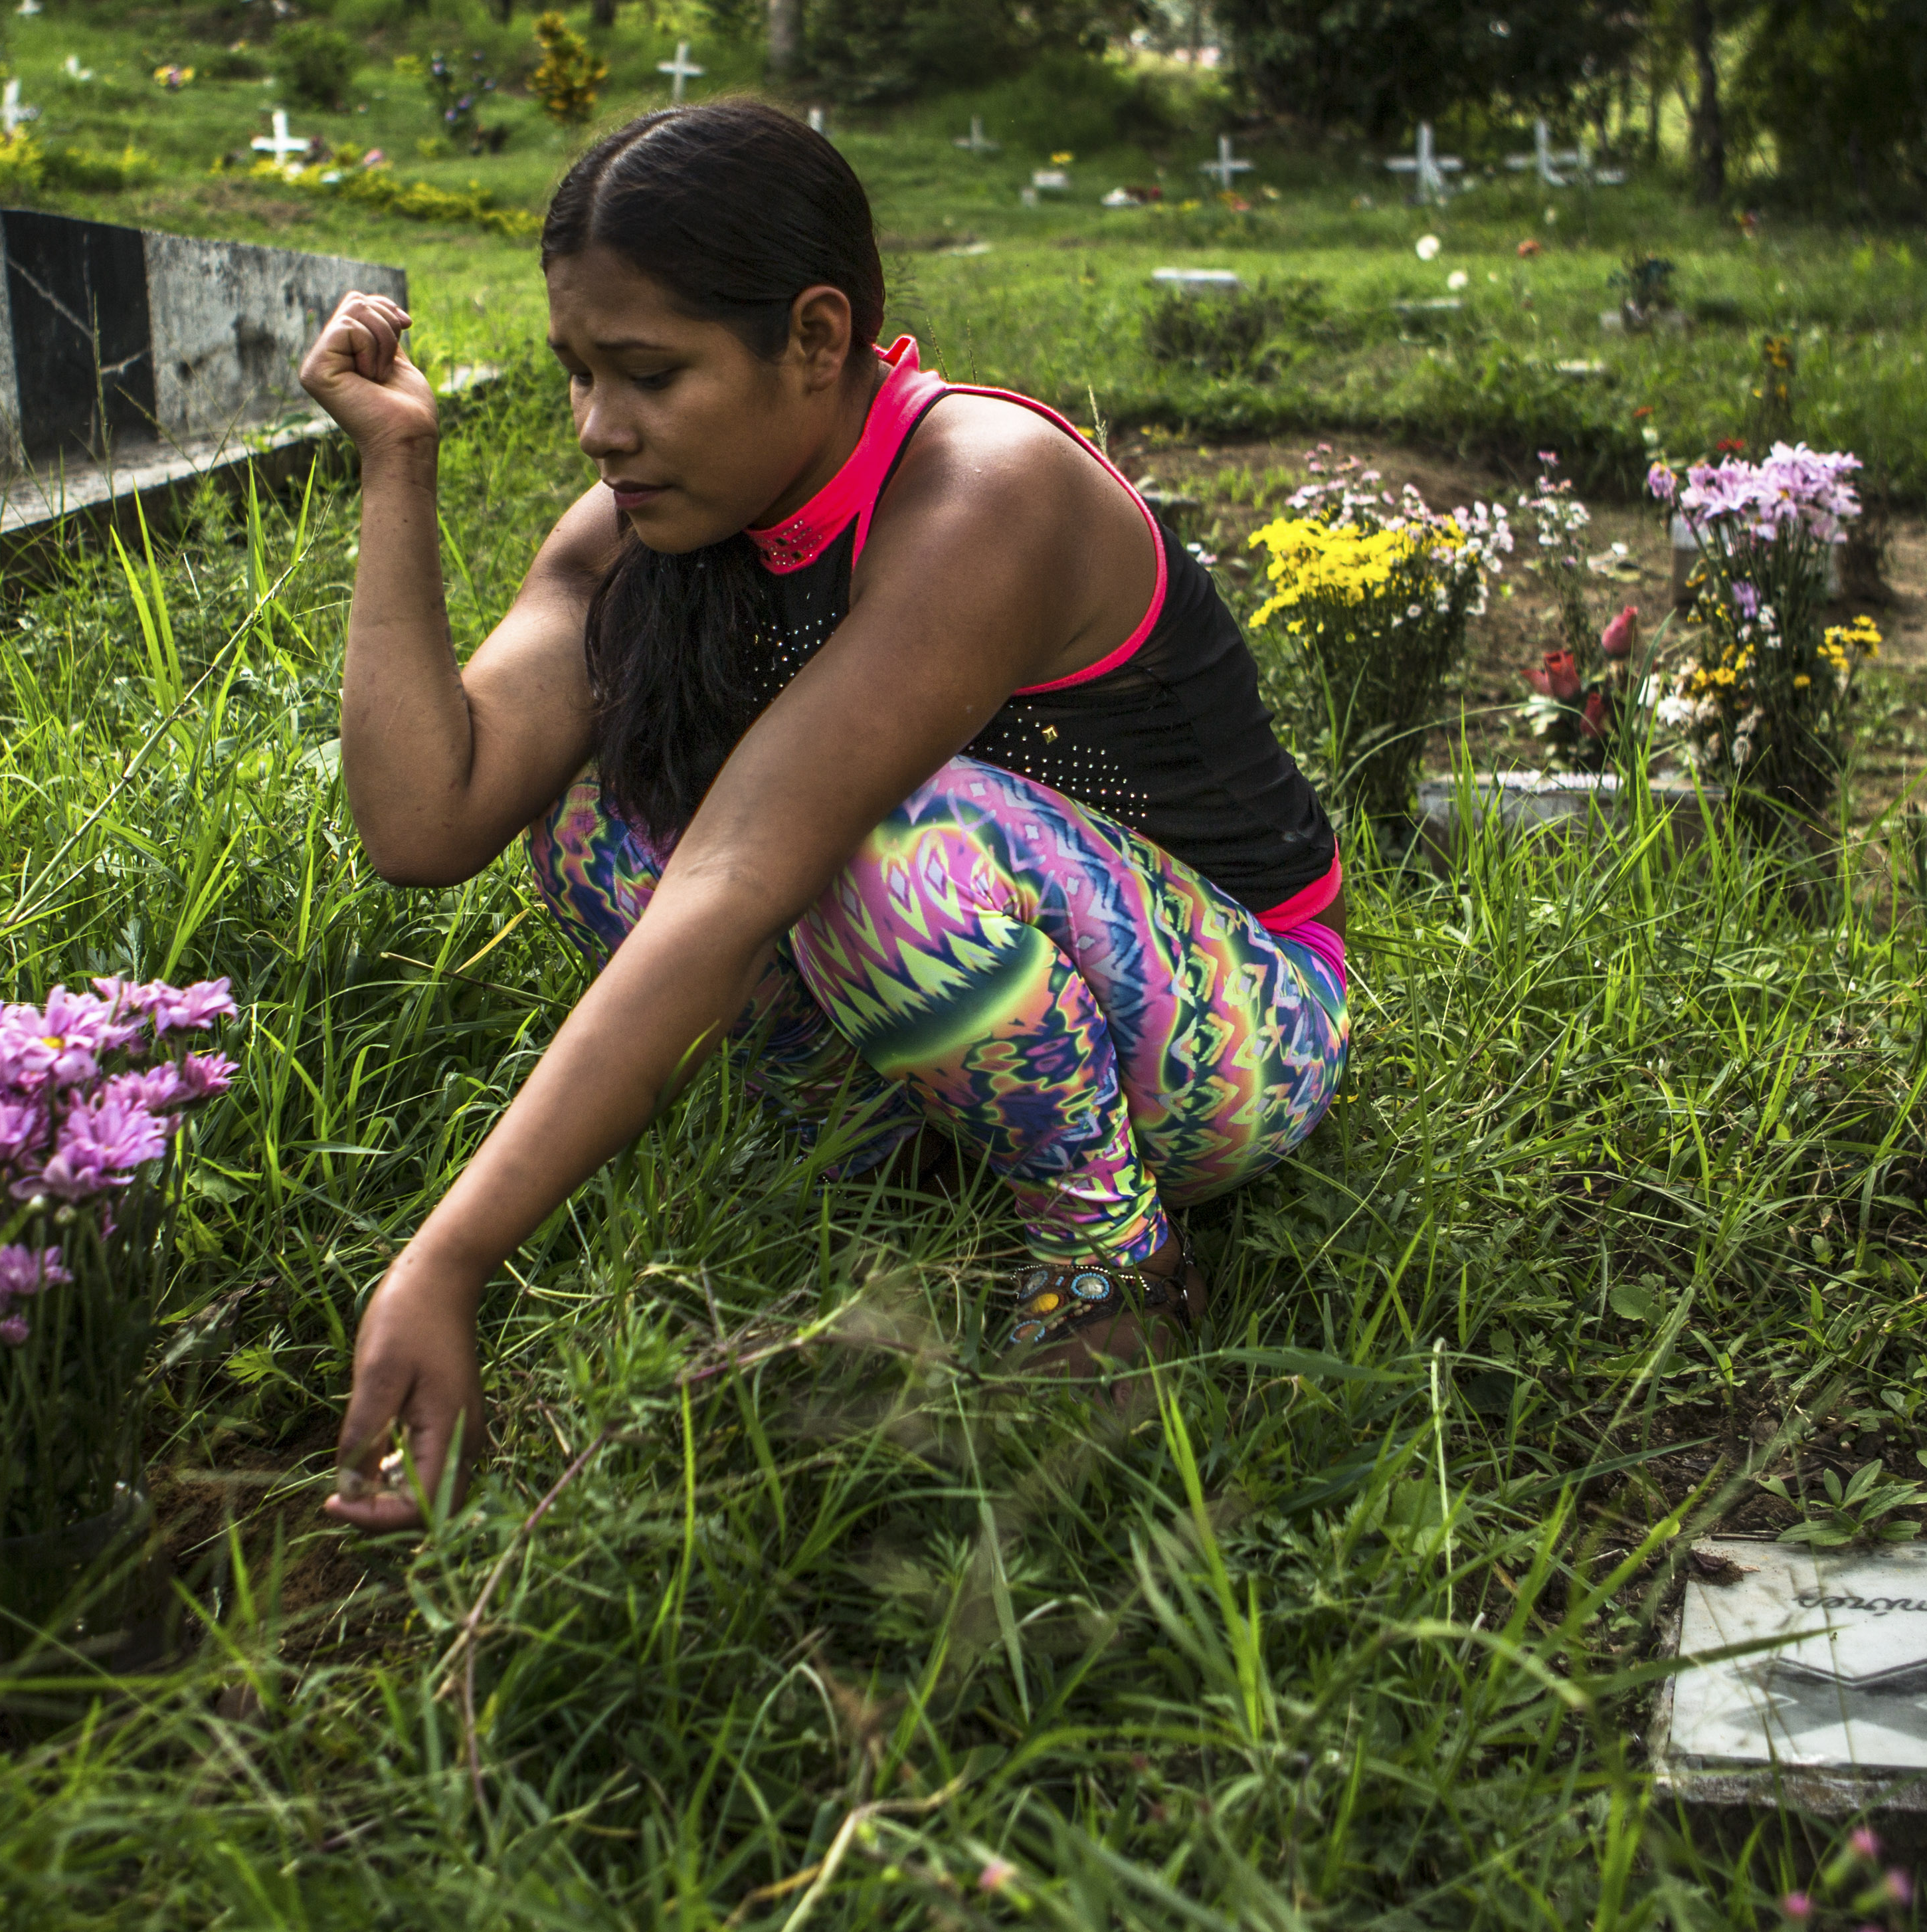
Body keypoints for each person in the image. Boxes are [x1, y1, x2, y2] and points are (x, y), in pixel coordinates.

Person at [298, 100, 1347, 1533]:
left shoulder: (986, 490)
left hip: (1232, 1035)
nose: (603, 428)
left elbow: (742, 878)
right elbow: (429, 819)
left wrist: (448, 1261)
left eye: (651, 374)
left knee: (873, 851)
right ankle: (889, 1152)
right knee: (585, 811)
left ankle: (1110, 1257)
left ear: (813, 336)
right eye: (578, 374)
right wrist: (395, 464)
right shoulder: (638, 531)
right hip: (983, 981)